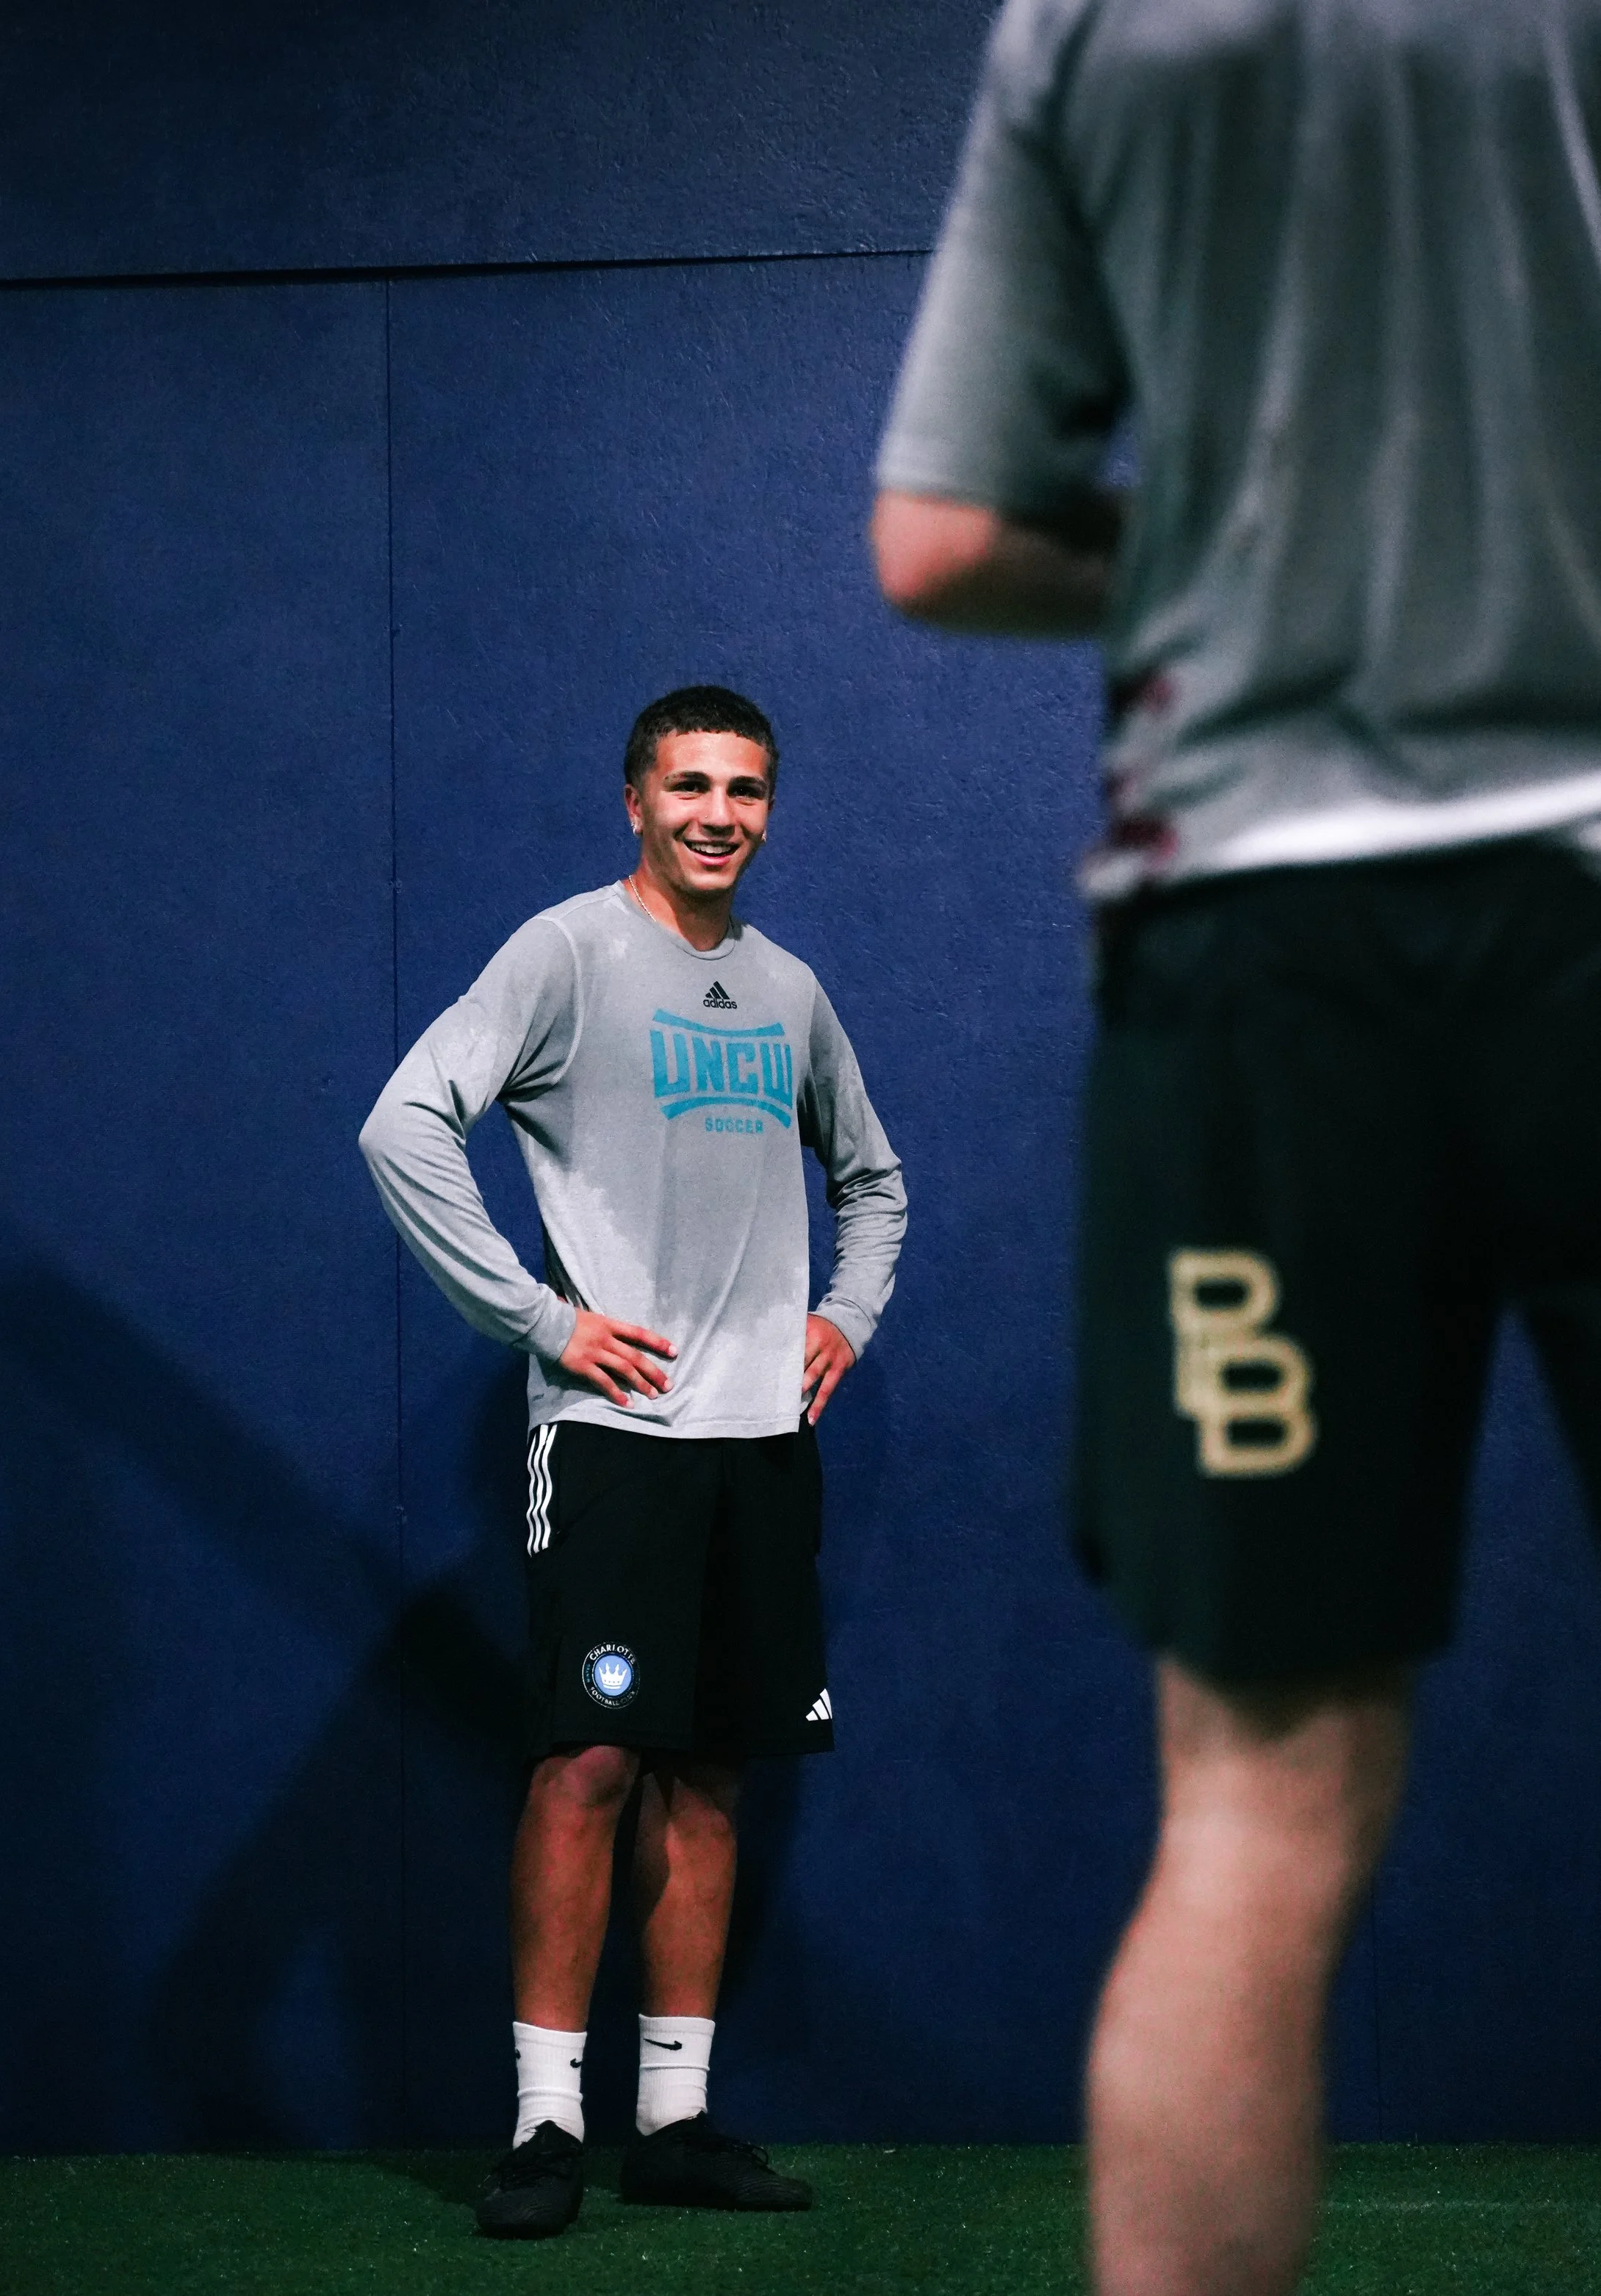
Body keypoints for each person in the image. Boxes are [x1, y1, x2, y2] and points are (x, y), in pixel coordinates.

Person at [871, 4, 1601, 2292]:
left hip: (1254, 959)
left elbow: (938, 538)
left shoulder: (1082, 21)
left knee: (1258, 1807)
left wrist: (1234, 560)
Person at [361, 684, 905, 2239]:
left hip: (758, 1443)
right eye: (687, 786)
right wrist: (536, 1315)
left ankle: (673, 2115)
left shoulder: (789, 990)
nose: (716, 813)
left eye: (743, 789)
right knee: (586, 1763)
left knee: (709, 1770)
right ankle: (546, 2122)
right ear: (632, 801)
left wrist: (841, 1317)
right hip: (615, 1442)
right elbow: (404, 1124)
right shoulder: (565, 953)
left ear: (768, 807)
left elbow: (872, 1180)